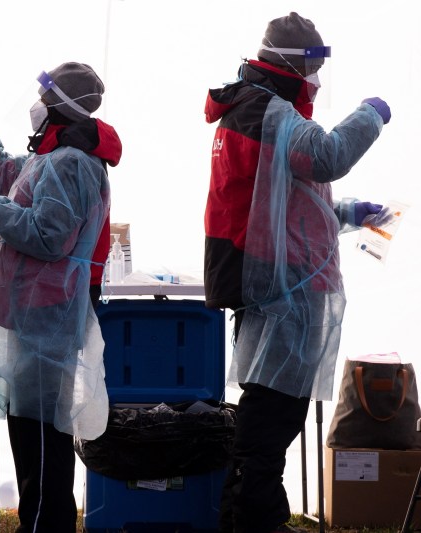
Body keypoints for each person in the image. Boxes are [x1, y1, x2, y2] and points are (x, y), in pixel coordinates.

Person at [202, 12, 390, 533]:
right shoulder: (267, 111)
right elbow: (327, 156)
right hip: (281, 291)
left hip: (271, 283)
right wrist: (370, 115)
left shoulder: (251, 107)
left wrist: (347, 213)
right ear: (288, 63)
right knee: (270, 418)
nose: (316, 79)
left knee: (268, 412)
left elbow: (281, 203)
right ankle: (254, 520)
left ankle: (253, 516)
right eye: (311, 66)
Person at [0, 62, 122, 533]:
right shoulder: (51, 156)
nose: (35, 103)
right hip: (31, 316)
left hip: (46, 315)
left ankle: (44, 524)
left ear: (61, 106)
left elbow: (48, 235)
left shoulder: (71, 163)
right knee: (28, 425)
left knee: (40, 432)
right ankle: (37, 520)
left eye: (44, 94)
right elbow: (5, 171)